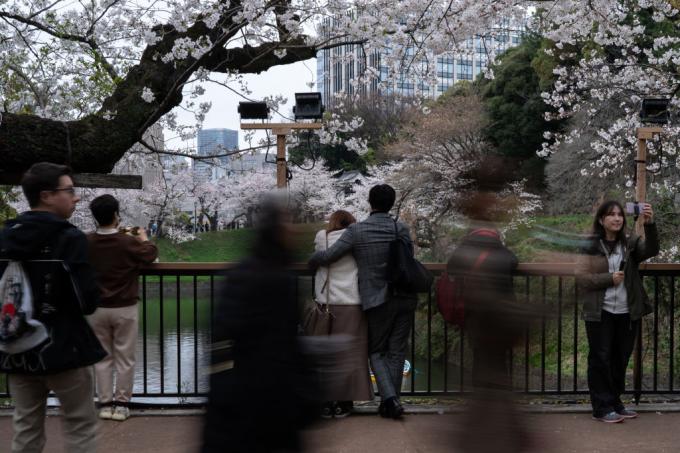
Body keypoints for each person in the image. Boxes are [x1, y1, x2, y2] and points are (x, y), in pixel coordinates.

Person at [0, 162, 105, 453]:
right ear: (47, 195)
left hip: (17, 348)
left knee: (25, 426)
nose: (76, 197)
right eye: (69, 190)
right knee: (80, 425)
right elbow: (86, 301)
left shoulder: (5, 238)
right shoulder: (68, 238)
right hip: (64, 346)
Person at [202, 199, 318, 453]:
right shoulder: (277, 278)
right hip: (267, 398)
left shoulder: (247, 273)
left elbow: (222, 338)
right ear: (275, 230)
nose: (295, 230)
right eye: (289, 223)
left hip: (245, 398)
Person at [308, 184, 417, 419]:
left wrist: (313, 259)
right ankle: (391, 402)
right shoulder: (401, 228)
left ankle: (389, 400)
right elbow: (409, 259)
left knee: (376, 351)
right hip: (406, 297)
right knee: (397, 352)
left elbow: (329, 256)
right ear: (392, 202)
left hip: (376, 299)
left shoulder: (358, 231)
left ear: (369, 202)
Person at [578, 200, 659, 423]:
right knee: (600, 359)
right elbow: (581, 278)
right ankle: (601, 407)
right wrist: (608, 279)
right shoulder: (591, 245)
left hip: (626, 311)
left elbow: (652, 249)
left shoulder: (629, 244)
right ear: (602, 220)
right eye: (611, 215)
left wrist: (649, 224)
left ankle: (615, 402)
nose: (617, 218)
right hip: (600, 312)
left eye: (619, 215)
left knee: (620, 358)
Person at [86, 194, 158, 421]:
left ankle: (105, 404)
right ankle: (122, 404)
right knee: (125, 358)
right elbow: (150, 254)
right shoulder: (127, 242)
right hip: (124, 306)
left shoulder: (86, 242)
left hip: (96, 308)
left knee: (102, 358)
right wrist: (144, 237)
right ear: (116, 215)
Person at [308, 210, 373, 418]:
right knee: (350, 354)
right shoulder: (358, 239)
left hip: (325, 302)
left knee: (323, 353)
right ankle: (345, 402)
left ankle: (325, 401)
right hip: (352, 301)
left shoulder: (322, 237)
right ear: (352, 223)